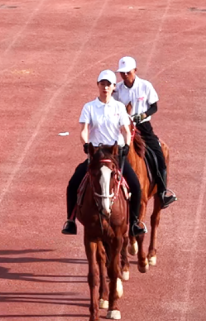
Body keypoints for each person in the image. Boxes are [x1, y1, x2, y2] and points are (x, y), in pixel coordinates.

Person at [62, 70, 146, 237]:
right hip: (97, 155)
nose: (105, 87)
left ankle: (135, 223)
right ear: (98, 85)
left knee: (136, 186)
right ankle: (71, 220)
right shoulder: (89, 107)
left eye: (108, 84)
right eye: (102, 84)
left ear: (114, 87)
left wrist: (127, 144)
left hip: (115, 155)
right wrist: (86, 144)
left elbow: (125, 130)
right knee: (73, 183)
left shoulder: (119, 107)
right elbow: (84, 130)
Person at [114, 56, 176, 210]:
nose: (124, 75)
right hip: (124, 128)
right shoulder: (118, 90)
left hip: (143, 127)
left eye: (127, 72)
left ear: (135, 70)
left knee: (159, 155)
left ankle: (162, 193)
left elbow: (154, 106)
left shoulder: (145, 86)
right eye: (122, 73)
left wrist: (143, 115)